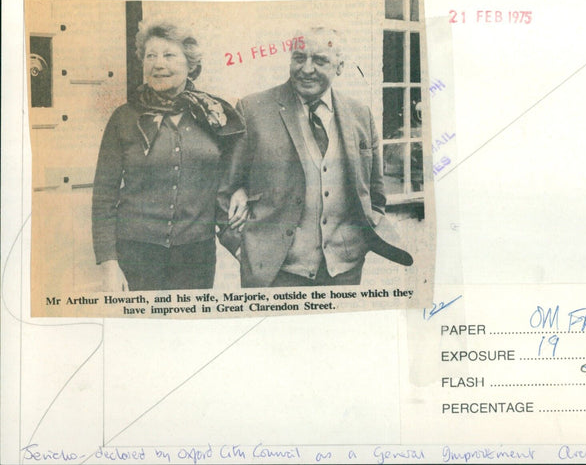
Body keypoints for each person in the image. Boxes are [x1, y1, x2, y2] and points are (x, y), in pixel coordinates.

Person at [219, 27, 412, 287]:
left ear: (340, 66)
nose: (306, 69)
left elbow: (375, 194)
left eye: (319, 60)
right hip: (275, 273)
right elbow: (224, 190)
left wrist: (360, 243)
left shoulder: (359, 114)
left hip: (344, 271)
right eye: (299, 58)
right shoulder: (253, 110)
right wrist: (242, 250)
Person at [92, 20, 245, 292]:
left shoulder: (215, 115)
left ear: (191, 64)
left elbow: (235, 175)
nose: (158, 64)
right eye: (150, 56)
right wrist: (108, 264)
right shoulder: (124, 118)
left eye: (169, 55)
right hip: (136, 255)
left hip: (196, 256)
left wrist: (241, 191)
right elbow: (104, 196)